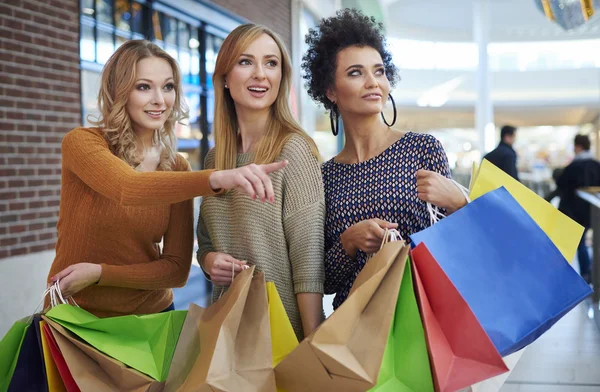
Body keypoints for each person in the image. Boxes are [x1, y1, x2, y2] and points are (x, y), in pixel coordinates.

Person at [48, 40, 287, 316]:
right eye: (143, 87)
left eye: (168, 87)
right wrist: (218, 178)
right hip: (76, 317)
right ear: (119, 91)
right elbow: (128, 187)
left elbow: (175, 270)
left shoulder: (176, 168)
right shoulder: (82, 143)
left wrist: (101, 273)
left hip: (151, 322)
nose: (160, 100)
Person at [302, 9, 468, 309]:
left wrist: (460, 204)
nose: (372, 82)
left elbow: (456, 250)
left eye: (379, 71)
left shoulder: (422, 149)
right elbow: (323, 282)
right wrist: (348, 242)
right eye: (356, 73)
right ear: (330, 91)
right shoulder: (323, 178)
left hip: (421, 320)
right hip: (353, 333)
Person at [196, 24, 325, 339]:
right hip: (228, 335)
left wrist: (312, 347)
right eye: (245, 62)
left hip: (281, 338)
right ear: (225, 77)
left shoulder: (293, 149)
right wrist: (211, 262)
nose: (260, 74)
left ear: (282, 77)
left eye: (271, 63)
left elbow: (308, 263)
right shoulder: (216, 161)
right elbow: (206, 243)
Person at [557, 134, 600, 283]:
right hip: (594, 211)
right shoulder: (596, 165)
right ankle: (592, 274)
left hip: (575, 212)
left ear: (578, 146)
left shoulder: (573, 166)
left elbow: (561, 184)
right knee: (595, 242)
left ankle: (586, 274)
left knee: (579, 242)